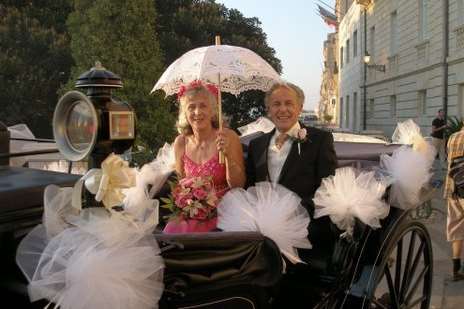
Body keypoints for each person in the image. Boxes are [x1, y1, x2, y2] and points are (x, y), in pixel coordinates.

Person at [246, 82, 338, 255]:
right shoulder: (256, 145)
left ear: (300, 108)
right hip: (261, 222)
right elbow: (250, 186)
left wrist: (297, 211)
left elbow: (328, 188)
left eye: (288, 103)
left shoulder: (320, 140)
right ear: (268, 109)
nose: (283, 109)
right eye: (276, 104)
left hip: (304, 222)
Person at [163, 81, 246, 233]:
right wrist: (188, 203)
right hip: (192, 213)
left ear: (213, 110)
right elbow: (180, 186)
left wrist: (227, 156)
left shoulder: (228, 136)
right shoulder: (180, 142)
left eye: (203, 106)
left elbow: (238, 185)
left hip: (226, 211)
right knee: (171, 233)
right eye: (191, 107)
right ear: (184, 113)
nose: (197, 112)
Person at [444, 127, 464, 281]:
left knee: (456, 228)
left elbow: (448, 160)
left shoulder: (452, 137)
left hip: (452, 189)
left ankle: (456, 270)